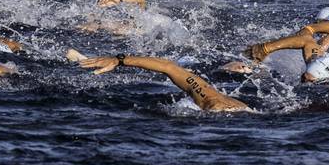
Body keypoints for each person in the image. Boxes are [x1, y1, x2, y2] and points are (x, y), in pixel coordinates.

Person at [76, 52, 250, 112]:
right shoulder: (218, 99)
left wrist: (118, 60)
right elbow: (169, 67)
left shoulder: (213, 101)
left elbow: (168, 67)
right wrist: (118, 60)